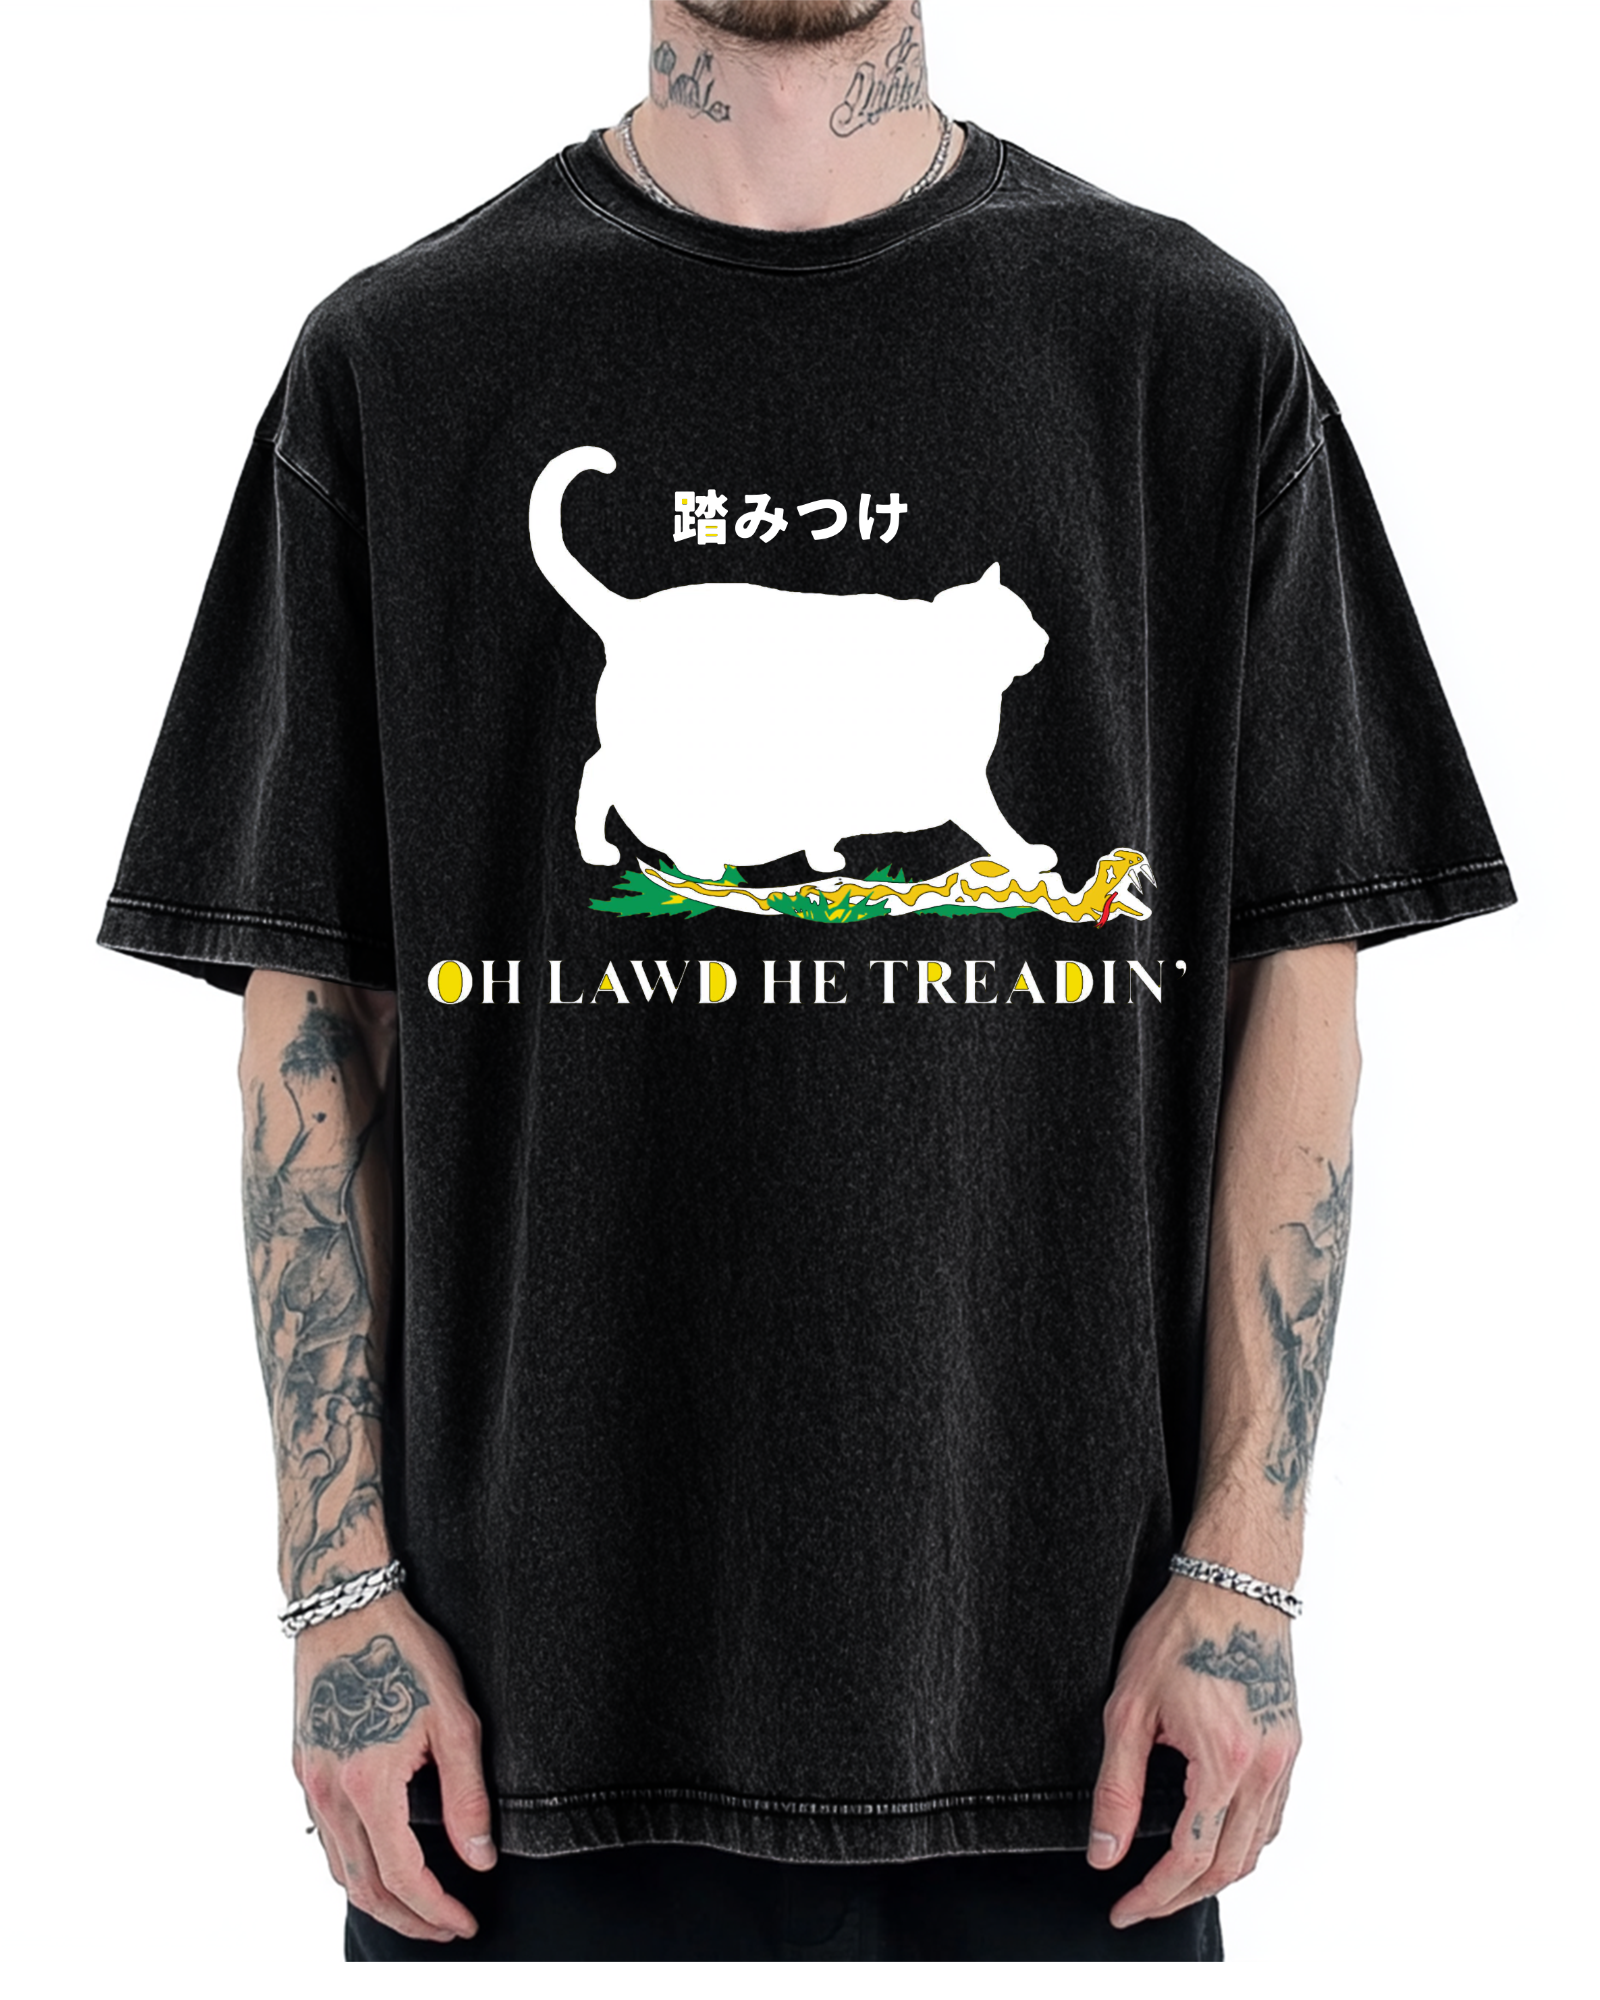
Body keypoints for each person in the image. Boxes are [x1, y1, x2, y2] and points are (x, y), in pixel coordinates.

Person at [96, 0, 1515, 1964]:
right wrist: (337, 1600)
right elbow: (312, 1025)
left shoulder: (1182, 351)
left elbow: (1305, 985)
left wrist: (1245, 1578)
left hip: (1082, 1741)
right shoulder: (398, 366)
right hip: (518, 1747)